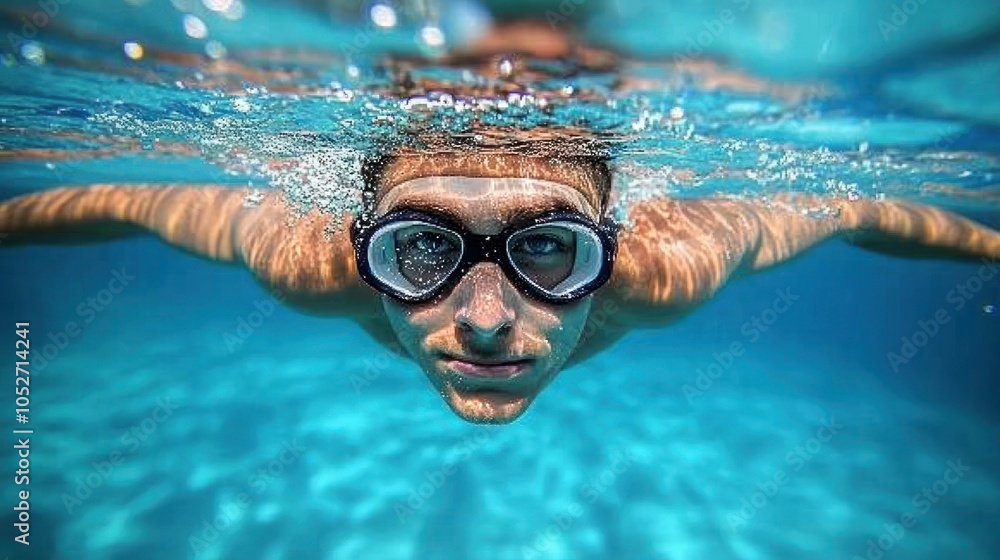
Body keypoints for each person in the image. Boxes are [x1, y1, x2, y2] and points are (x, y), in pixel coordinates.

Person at [2, 148, 998, 424]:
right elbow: (129, 193)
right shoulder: (308, 263)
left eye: (550, 251)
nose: (484, 320)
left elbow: (857, 207)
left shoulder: (667, 271)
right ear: (365, 250)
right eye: (422, 253)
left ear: (611, 245)